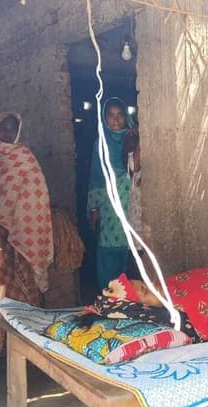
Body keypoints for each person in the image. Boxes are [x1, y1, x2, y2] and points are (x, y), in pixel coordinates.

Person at [0, 112, 53, 306]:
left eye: (12, 129)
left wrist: (14, 220)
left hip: (20, 232)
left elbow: (36, 193)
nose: (7, 132)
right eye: (3, 128)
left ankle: (22, 317)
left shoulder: (25, 158)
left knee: (17, 278)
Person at [88, 97, 139, 289]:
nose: (116, 119)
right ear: (104, 118)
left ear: (126, 116)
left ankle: (128, 295)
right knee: (108, 247)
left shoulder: (133, 137)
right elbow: (95, 175)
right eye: (111, 115)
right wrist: (94, 208)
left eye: (120, 115)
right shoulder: (100, 143)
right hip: (108, 203)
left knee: (129, 247)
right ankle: (108, 292)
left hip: (130, 202)